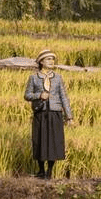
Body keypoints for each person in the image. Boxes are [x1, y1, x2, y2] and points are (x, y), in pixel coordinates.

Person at [23, 49, 74, 179]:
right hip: (40, 113)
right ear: (41, 62)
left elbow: (64, 97)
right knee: (40, 140)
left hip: (55, 113)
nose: (51, 61)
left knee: (54, 142)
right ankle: (41, 171)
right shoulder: (34, 78)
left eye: (52, 59)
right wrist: (39, 95)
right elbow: (27, 95)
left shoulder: (58, 78)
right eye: (48, 59)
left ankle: (49, 172)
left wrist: (69, 117)